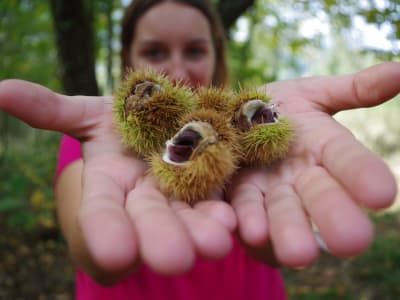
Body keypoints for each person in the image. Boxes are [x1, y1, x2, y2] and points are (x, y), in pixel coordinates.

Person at [0, 0, 398, 299]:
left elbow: (278, 249)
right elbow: (94, 255)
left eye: (194, 50)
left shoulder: (229, 125)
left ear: (216, 54)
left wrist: (273, 240)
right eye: (155, 52)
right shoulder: (91, 142)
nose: (175, 68)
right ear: (129, 59)